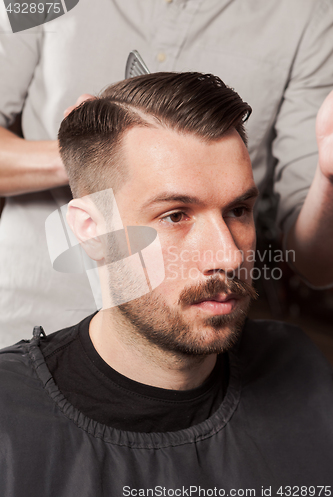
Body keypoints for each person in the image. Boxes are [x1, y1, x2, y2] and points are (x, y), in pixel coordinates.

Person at [1, 73, 332, 497]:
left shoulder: (303, 371)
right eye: (175, 215)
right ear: (92, 232)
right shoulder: (10, 420)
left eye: (238, 210)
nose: (229, 257)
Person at [0, 0, 333, 347]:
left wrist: (328, 177)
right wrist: (93, 156)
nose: (229, 257)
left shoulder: (306, 15)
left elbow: (316, 266)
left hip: (190, 338)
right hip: (28, 310)